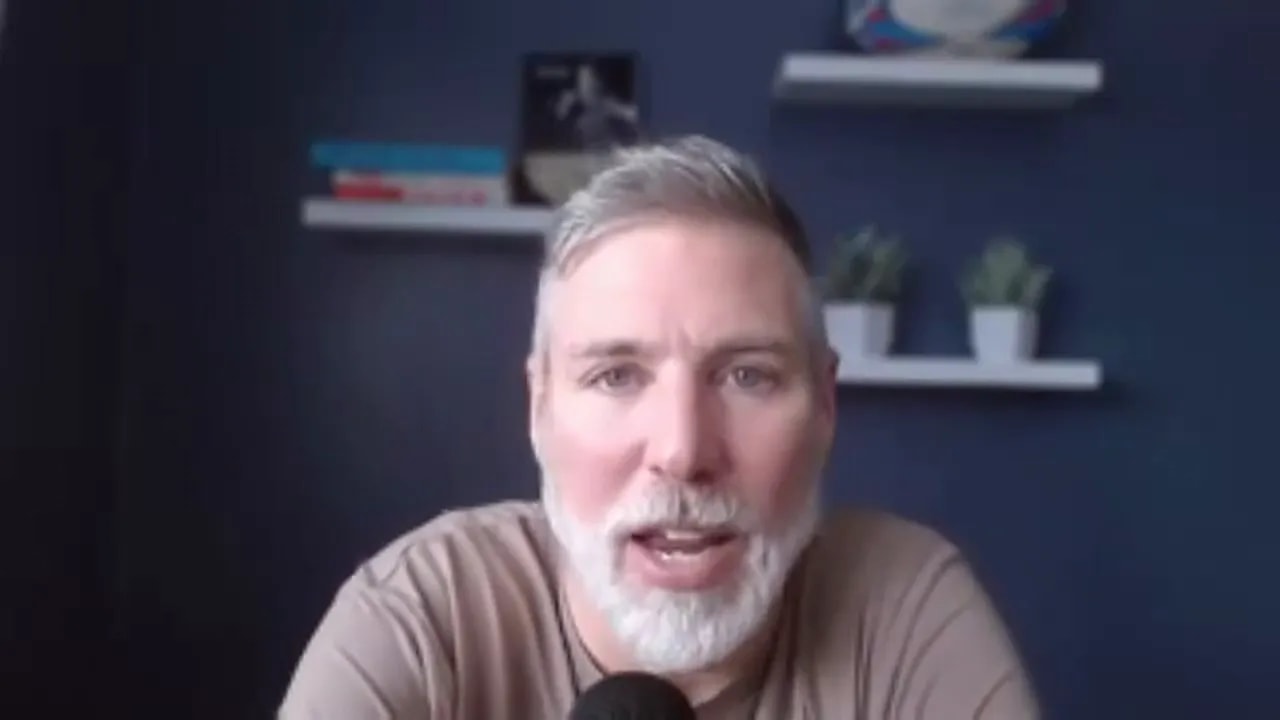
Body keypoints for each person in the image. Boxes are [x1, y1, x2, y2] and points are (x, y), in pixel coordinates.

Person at [278, 136, 1041, 719]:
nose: (682, 452)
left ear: (825, 407)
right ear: (539, 407)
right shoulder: (423, 618)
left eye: (747, 376)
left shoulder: (905, 611)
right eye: (616, 375)